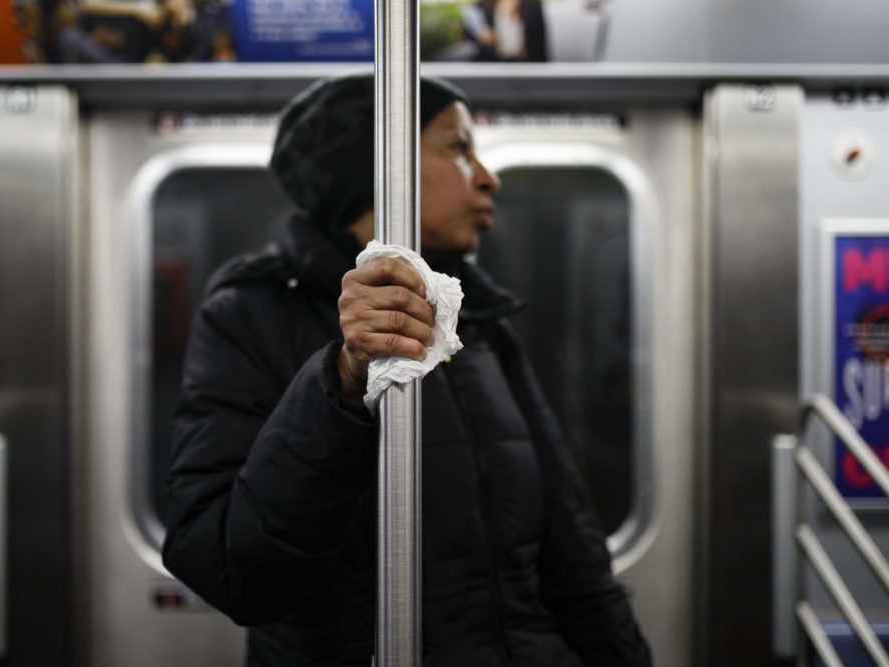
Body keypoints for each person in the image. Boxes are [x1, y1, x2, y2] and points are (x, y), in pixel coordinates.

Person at [161, 73, 651, 666]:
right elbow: (231, 571)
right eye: (458, 147)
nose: (488, 177)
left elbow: (575, 563)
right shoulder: (251, 314)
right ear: (381, 167)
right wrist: (341, 381)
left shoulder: (482, 323)